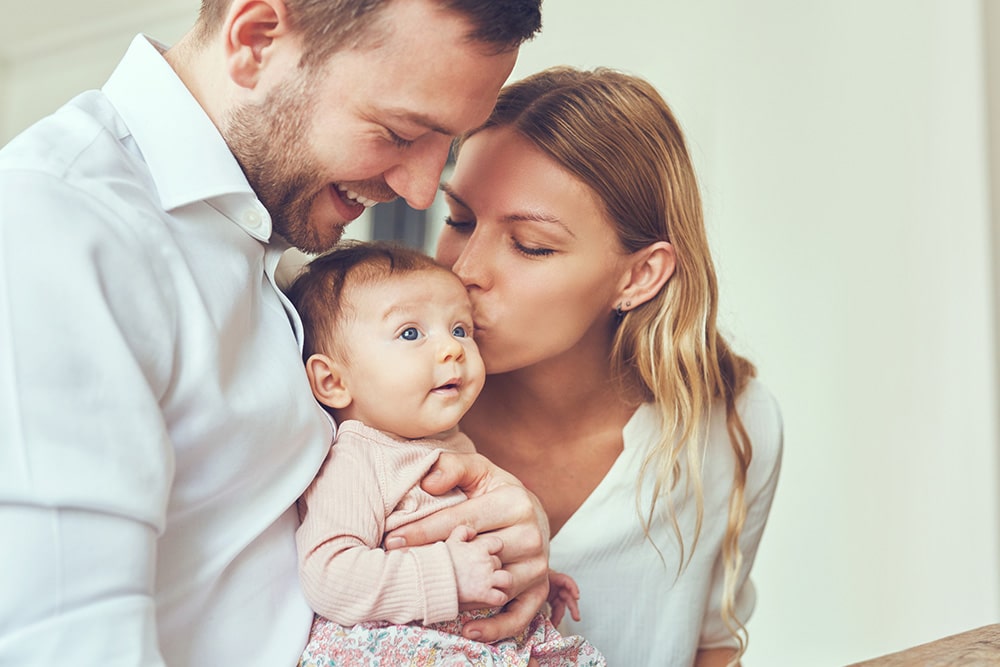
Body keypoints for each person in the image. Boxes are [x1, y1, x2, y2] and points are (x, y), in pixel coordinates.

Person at [0, 1, 548, 665]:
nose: (421, 190)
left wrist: (496, 527)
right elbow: (63, 643)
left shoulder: (262, 235)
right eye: (402, 134)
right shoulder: (55, 228)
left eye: (448, 145)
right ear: (256, 39)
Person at [388, 66, 785, 667]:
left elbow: (714, 644)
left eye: (531, 245)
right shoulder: (379, 405)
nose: (465, 270)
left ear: (639, 275)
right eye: (459, 220)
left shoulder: (734, 428)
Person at [285, 240, 605, 666]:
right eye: (411, 333)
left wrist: (525, 577)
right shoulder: (356, 460)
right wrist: (448, 576)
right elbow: (329, 575)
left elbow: (478, 539)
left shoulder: (453, 445)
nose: (453, 348)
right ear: (332, 381)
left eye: (460, 329)